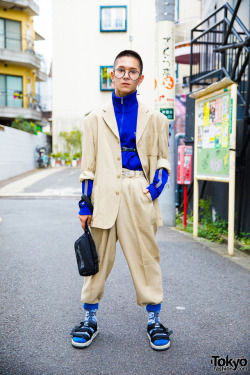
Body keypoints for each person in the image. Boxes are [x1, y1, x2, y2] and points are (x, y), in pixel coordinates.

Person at [71, 50, 172, 351]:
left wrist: (152, 190)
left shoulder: (155, 119)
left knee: (145, 258)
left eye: (132, 71)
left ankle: (154, 320)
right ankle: (89, 318)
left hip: (137, 191)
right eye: (120, 70)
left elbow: (164, 162)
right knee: (97, 259)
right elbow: (87, 166)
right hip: (102, 194)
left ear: (141, 78)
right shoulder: (93, 119)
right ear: (111, 75)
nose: (126, 75)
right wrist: (84, 204)